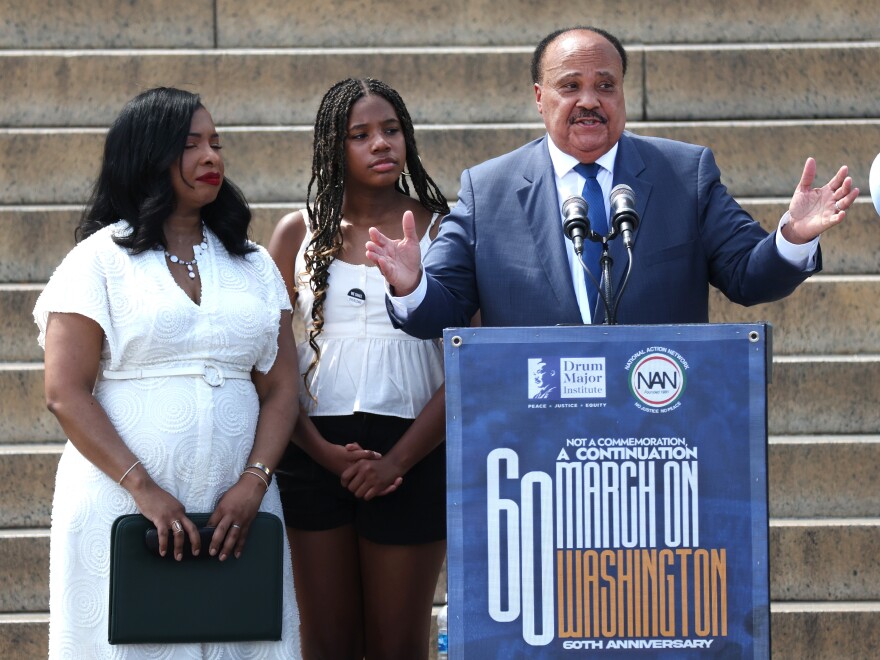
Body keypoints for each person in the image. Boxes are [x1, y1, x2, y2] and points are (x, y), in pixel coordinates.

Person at [34, 87, 302, 658]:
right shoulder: (97, 260)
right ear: (149, 154)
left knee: (243, 639)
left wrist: (254, 482)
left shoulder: (253, 263)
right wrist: (145, 491)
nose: (212, 157)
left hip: (241, 508)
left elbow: (281, 387)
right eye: (191, 144)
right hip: (120, 501)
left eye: (216, 144)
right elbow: (64, 391)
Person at [365, 26, 860, 333]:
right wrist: (411, 286)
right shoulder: (487, 189)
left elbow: (749, 278)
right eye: (570, 86)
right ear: (540, 97)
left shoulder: (684, 173)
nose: (589, 101)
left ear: (623, 93)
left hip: (657, 423)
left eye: (606, 86)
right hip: (535, 433)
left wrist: (792, 237)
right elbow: (441, 313)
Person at [268, 78, 450, 659]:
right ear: (332, 146)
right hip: (314, 449)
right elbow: (271, 367)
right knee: (327, 643)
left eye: (391, 130)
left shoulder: (445, 228)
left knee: (398, 644)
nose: (381, 144)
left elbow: (470, 362)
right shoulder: (296, 232)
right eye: (361, 134)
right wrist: (320, 452)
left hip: (413, 450)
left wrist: (397, 460)